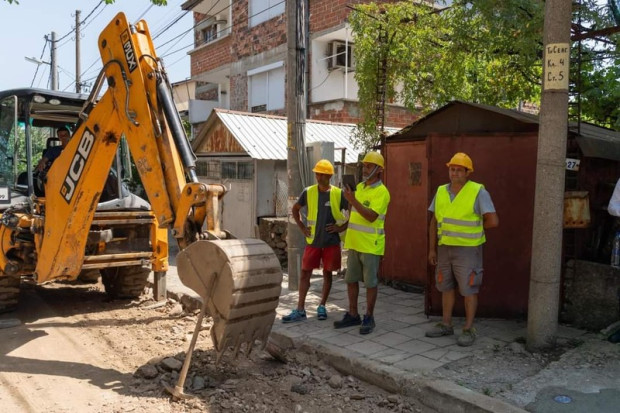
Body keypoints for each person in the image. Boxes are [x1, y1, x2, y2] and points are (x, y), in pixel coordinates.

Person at [425, 152, 499, 347]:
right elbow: (434, 222)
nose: (454, 173)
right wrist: (432, 249)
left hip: (468, 251)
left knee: (468, 289)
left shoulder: (477, 191)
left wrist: (473, 230)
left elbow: (493, 221)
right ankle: (446, 324)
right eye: (452, 169)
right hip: (444, 249)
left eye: (459, 170)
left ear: (468, 173)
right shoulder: (441, 191)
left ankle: (468, 328)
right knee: (445, 287)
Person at [282, 159, 348, 323]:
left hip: (331, 242)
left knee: (327, 274)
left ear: (329, 176)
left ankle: (322, 306)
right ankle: (300, 309)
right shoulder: (308, 191)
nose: (318, 177)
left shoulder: (338, 194)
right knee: (305, 273)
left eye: (321, 174)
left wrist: (341, 228)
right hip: (313, 241)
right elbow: (295, 209)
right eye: (317, 174)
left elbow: (352, 212)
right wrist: (302, 228)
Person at [334, 151, 390, 335]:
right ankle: (353, 314)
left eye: (368, 166)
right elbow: (354, 213)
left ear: (379, 169)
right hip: (355, 242)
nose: (365, 169)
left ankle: (369, 316)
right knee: (351, 280)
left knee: (370, 283)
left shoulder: (382, 192)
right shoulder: (359, 186)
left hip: (371, 245)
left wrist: (353, 200)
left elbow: (371, 216)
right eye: (364, 165)